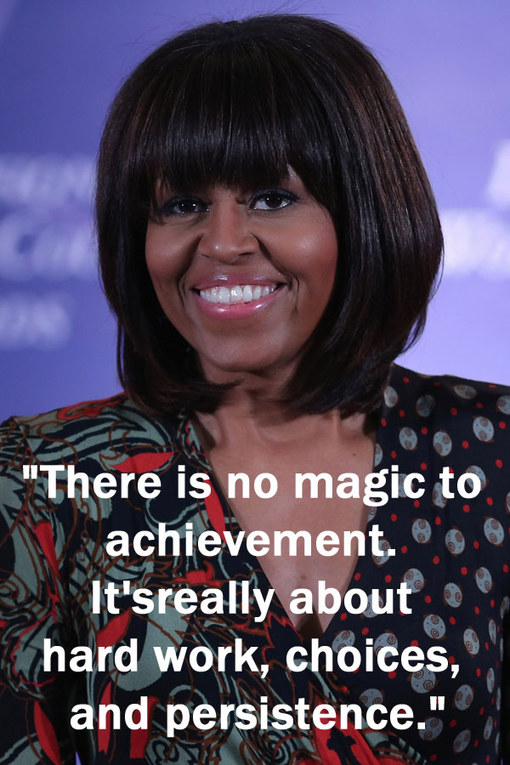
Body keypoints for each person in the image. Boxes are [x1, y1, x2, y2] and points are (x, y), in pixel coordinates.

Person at [0, 13, 508, 765]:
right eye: (182, 205)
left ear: (365, 213)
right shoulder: (40, 481)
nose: (223, 242)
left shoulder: (492, 449)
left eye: (272, 197)